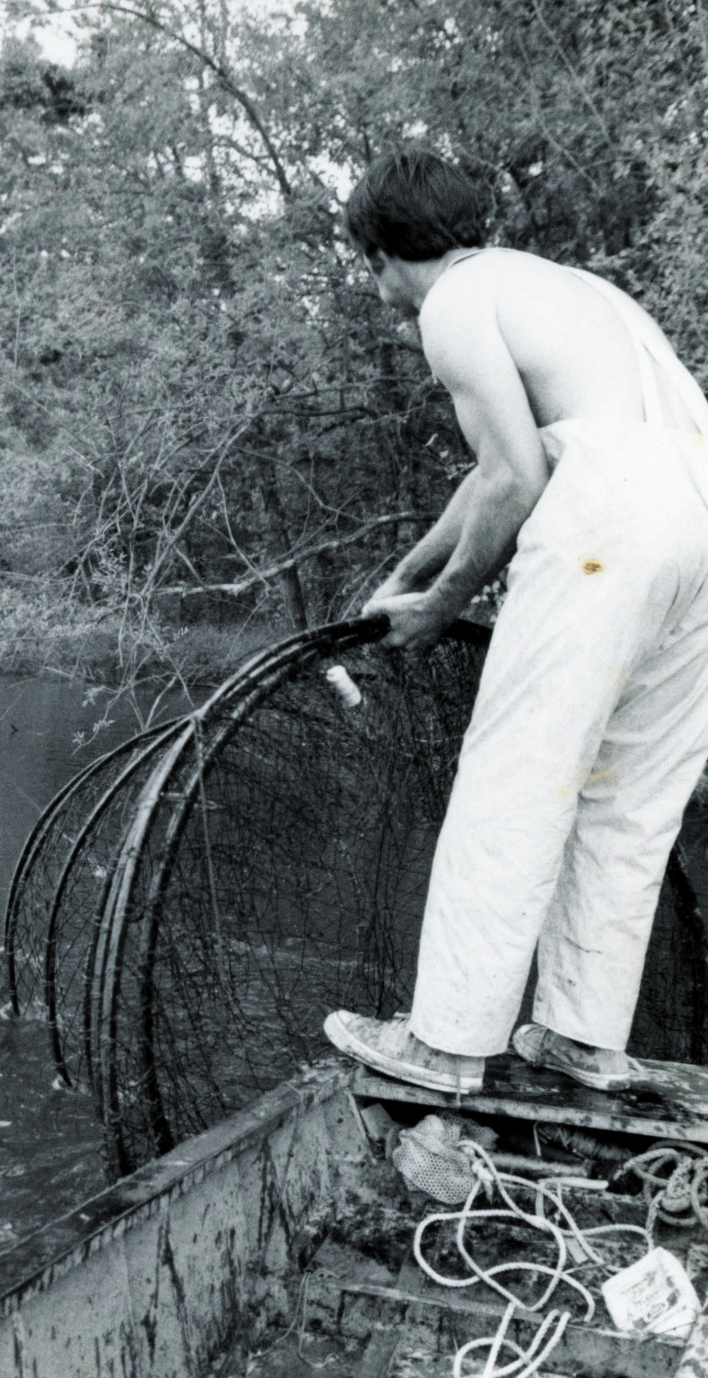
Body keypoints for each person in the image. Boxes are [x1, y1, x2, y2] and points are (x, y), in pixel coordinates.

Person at [323, 147, 708, 1096]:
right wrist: (405, 575)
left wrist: (441, 609)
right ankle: (583, 1040)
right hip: (696, 516)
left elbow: (515, 482)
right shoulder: (571, 290)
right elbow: (504, 462)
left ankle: (445, 1046)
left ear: (378, 254)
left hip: (610, 520)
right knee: (629, 798)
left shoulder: (452, 304)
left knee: (516, 775)